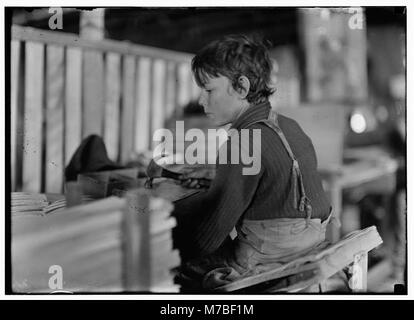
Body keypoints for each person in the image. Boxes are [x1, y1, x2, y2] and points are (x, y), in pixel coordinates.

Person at [172, 35, 333, 291]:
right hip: (309, 246)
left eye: (209, 90)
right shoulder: (290, 126)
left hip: (265, 261)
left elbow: (208, 237)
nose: (202, 101)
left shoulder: (241, 142)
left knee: (180, 268)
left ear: (241, 87)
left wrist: (165, 229)